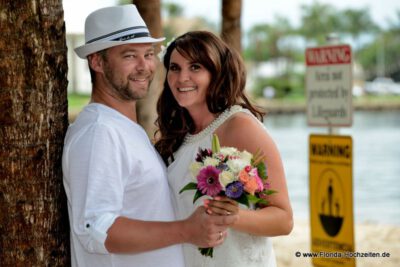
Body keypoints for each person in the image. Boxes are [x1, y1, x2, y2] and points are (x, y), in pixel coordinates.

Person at [62, 6, 237, 267]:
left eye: (149, 54)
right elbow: (95, 229)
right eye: (130, 55)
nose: (145, 66)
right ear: (97, 61)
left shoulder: (123, 127)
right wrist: (187, 230)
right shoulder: (100, 133)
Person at [155, 31, 293, 267]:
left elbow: (283, 219)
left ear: (216, 72)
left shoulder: (239, 126)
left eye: (195, 67)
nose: (181, 78)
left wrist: (234, 216)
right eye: (175, 68)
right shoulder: (178, 136)